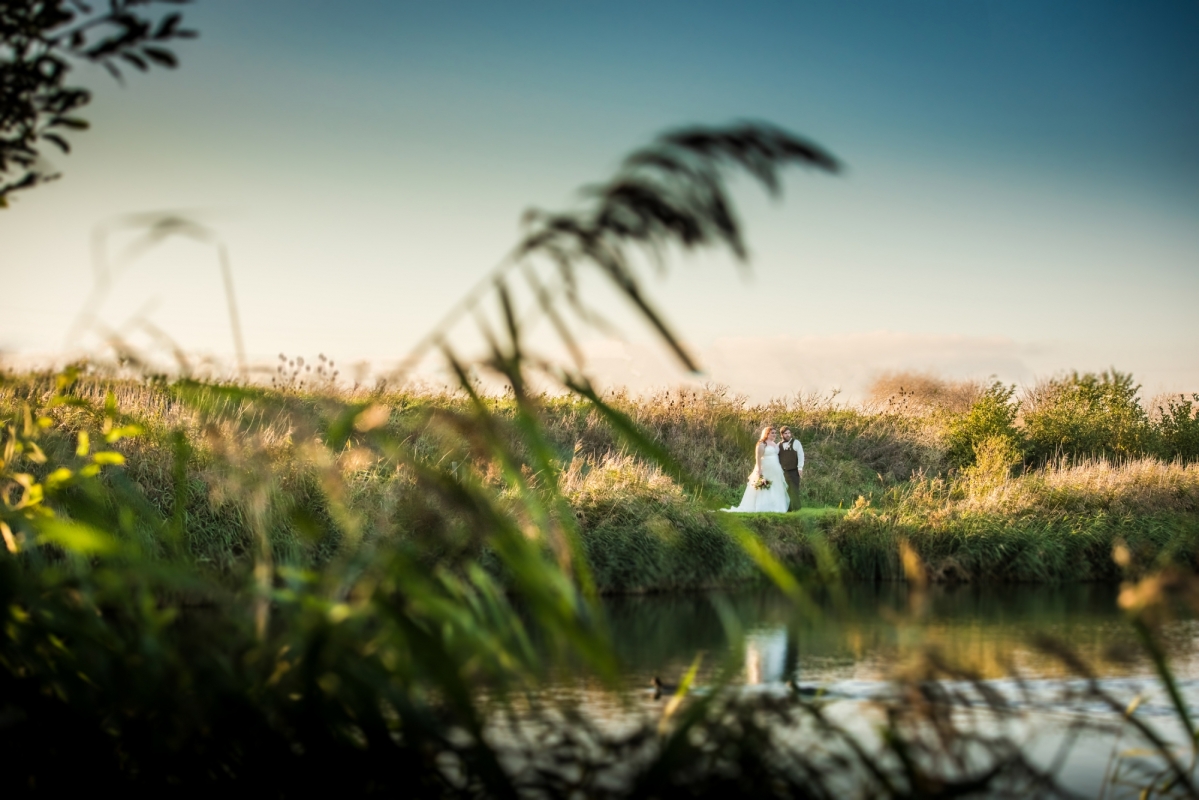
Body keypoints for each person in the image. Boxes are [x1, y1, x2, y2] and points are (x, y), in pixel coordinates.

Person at [722, 426, 790, 513]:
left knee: (775, 486)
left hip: (775, 469)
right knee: (764, 487)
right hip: (765, 468)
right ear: (767, 434)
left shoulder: (774, 444)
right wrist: (759, 469)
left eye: (775, 433)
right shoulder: (762, 444)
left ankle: (777, 506)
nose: (774, 435)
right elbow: (758, 457)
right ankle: (763, 506)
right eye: (772, 433)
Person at [778, 426, 804, 510]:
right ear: (781, 435)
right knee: (785, 490)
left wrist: (800, 467)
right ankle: (788, 508)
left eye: (789, 433)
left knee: (794, 489)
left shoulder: (796, 442)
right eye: (785, 433)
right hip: (783, 472)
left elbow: (801, 455)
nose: (788, 435)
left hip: (793, 470)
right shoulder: (779, 445)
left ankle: (796, 508)